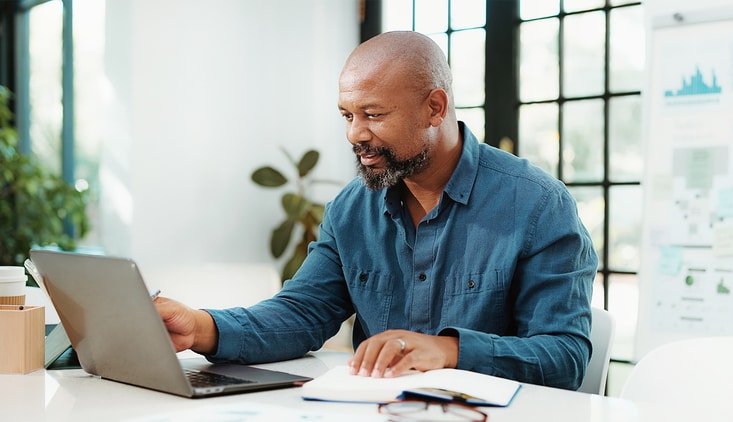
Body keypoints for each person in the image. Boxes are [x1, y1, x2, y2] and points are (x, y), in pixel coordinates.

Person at [155, 30, 597, 390]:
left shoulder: (538, 205)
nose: (355, 134)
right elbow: (303, 313)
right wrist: (199, 327)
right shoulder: (351, 209)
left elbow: (563, 356)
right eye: (347, 115)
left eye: (373, 114)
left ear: (434, 108)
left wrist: (447, 351)